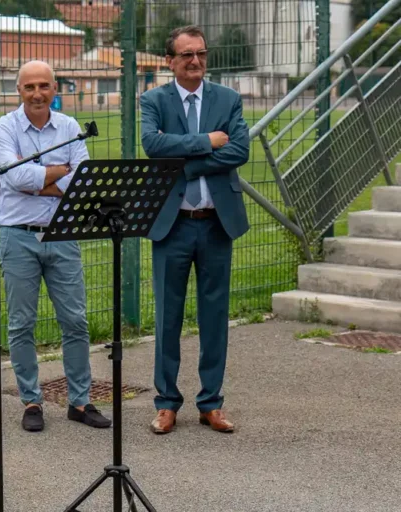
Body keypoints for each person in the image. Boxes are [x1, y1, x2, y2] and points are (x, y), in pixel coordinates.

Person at [139, 26, 250, 435]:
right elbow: (153, 145)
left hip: (216, 223)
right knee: (167, 318)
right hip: (173, 226)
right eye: (186, 55)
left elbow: (239, 150)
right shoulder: (153, 100)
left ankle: (211, 403)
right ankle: (167, 403)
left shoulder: (228, 99)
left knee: (215, 316)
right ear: (170, 61)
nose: (195, 61)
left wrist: (185, 162)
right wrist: (208, 141)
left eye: (201, 53)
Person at [0, 60, 111, 433]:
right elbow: (13, 177)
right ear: (19, 91)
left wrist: (36, 180)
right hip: (18, 234)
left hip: (63, 232)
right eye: (30, 87)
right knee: (21, 323)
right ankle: (31, 401)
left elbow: (83, 181)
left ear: (55, 89)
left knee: (75, 320)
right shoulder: (4, 127)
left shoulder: (71, 127)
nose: (37, 93)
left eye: (44, 86)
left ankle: (80, 401)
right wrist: (59, 172)